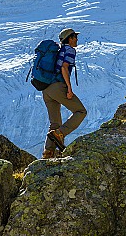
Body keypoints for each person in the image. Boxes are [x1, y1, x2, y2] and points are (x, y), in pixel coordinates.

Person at [42, 28, 87, 158]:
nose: (77, 39)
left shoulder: (59, 51)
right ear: (70, 38)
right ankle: (60, 133)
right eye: (75, 37)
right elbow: (64, 67)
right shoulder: (69, 50)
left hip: (46, 89)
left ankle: (48, 152)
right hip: (58, 87)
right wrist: (69, 87)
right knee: (81, 111)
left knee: (54, 122)